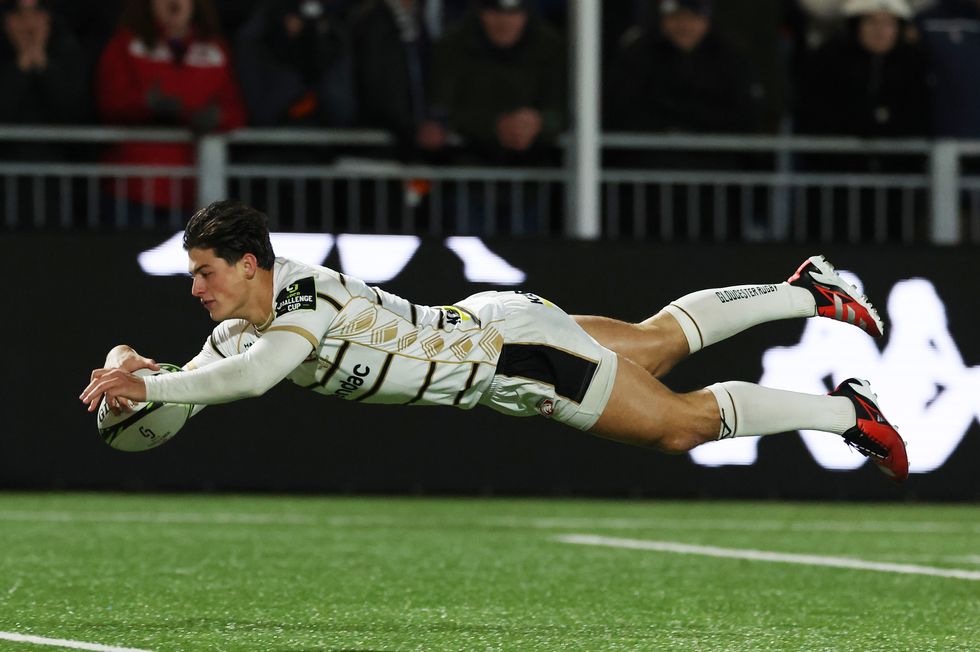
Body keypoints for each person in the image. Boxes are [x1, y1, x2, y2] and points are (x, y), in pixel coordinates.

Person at [80, 200, 910, 483]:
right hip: (493, 326)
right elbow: (197, 372)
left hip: (515, 359)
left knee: (678, 425)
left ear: (251, 264)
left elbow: (253, 379)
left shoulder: (303, 295)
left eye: (204, 271)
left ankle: (845, 414)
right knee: (658, 343)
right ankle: (808, 291)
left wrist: (150, 392)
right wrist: (127, 367)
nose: (195, 288)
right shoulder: (241, 323)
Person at [96, 0, 247, 219]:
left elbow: (236, 109)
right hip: (132, 190)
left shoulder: (217, 51)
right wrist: (145, 105)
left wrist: (217, 117)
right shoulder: (125, 44)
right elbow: (109, 101)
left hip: (195, 194)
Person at [234, 0, 356, 128]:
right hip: (275, 135)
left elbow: (343, 113)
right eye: (296, 19)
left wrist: (322, 52)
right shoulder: (255, 40)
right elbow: (262, 113)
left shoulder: (333, 37)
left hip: (328, 136)